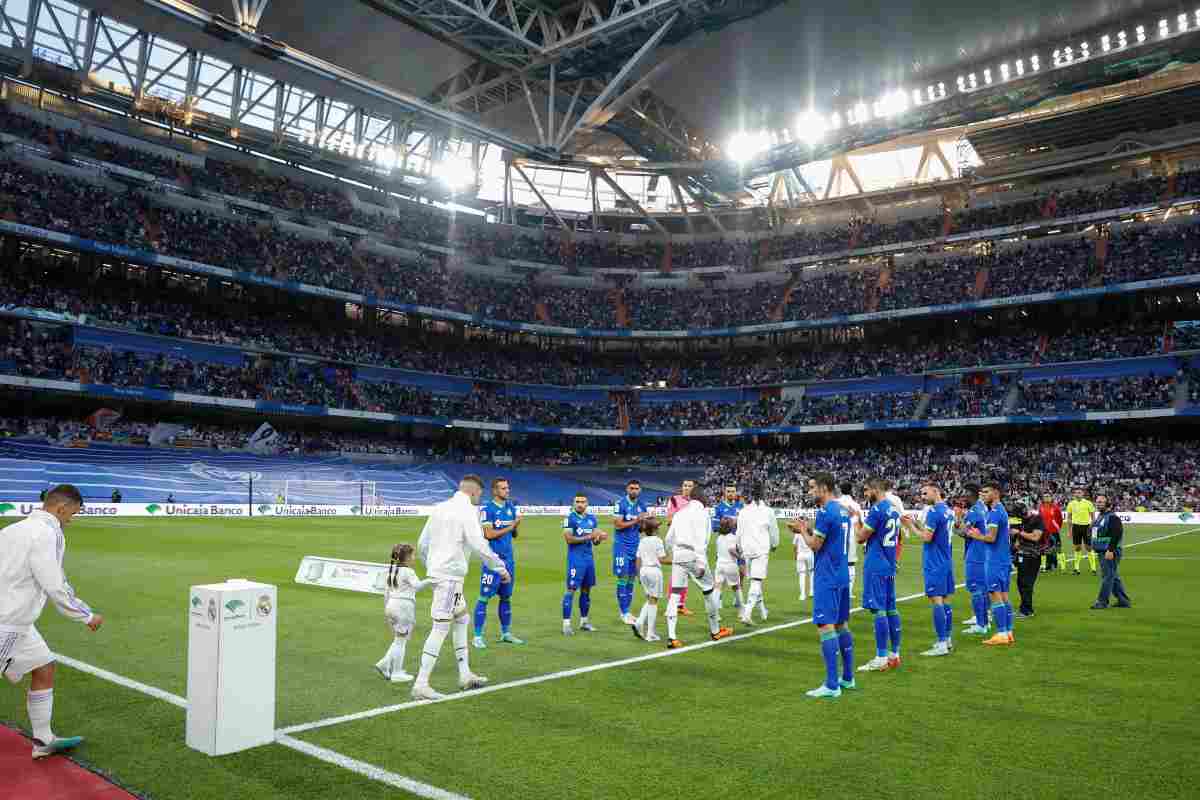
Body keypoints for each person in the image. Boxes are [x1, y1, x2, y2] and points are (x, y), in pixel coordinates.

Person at [0, 484, 104, 759]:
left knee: (44, 666)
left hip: (18, 621)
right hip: (7, 620)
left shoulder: (12, 530)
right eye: (73, 513)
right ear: (62, 508)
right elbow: (53, 583)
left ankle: (43, 739)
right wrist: (86, 615)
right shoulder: (48, 532)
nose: (72, 519)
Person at [412, 475, 509, 701]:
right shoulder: (468, 512)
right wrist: (500, 568)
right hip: (449, 579)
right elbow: (479, 545)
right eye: (479, 495)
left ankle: (465, 674)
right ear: (474, 493)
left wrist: (433, 567)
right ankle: (421, 683)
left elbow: (422, 544)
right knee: (440, 628)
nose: (479, 499)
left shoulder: (439, 508)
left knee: (462, 619)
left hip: (446, 577)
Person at [791, 473, 855, 699]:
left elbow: (815, 545)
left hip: (827, 576)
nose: (809, 492)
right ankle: (847, 678)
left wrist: (802, 530)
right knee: (841, 625)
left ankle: (831, 685)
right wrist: (807, 528)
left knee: (825, 626)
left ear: (824, 488)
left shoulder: (826, 512)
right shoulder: (843, 511)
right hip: (842, 574)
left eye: (812, 488)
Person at [662, 487, 733, 649]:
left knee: (674, 595)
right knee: (709, 591)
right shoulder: (703, 514)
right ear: (702, 498)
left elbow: (668, 539)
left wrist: (675, 553)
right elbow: (702, 540)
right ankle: (715, 631)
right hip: (694, 556)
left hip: (679, 554)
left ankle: (672, 637)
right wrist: (701, 562)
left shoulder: (679, 513)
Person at [902, 481, 955, 657]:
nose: (922, 497)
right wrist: (917, 525)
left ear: (936, 491)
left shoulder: (933, 512)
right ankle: (947, 639)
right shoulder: (947, 510)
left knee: (936, 600)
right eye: (921, 494)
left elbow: (926, 538)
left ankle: (941, 643)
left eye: (926, 494)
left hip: (935, 562)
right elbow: (934, 533)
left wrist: (910, 527)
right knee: (945, 600)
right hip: (946, 560)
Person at [855, 478, 902, 672]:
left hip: (876, 563)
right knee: (891, 608)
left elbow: (860, 537)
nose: (865, 494)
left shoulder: (877, 509)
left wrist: (856, 521)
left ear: (876, 489)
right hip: (889, 563)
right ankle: (895, 654)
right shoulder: (893, 509)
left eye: (866, 490)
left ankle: (881, 656)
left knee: (878, 610)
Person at [472, 478, 523, 648]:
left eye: (508, 488)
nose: (507, 491)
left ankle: (506, 633)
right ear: (495, 491)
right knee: (484, 597)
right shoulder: (487, 510)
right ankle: (477, 636)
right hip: (492, 560)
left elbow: (513, 534)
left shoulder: (510, 508)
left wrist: (515, 527)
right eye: (503, 488)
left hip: (509, 560)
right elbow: (489, 534)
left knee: (506, 597)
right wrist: (512, 526)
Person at [964, 480, 1014, 647]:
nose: (982, 495)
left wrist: (976, 535)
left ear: (996, 493)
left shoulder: (994, 512)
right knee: (1005, 597)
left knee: (996, 595)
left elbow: (991, 538)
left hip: (994, 561)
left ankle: (1001, 633)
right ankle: (1008, 632)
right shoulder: (1001, 510)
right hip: (1003, 559)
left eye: (986, 492)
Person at [375, 543, 430, 682]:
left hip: (391, 605)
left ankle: (384, 664)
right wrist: (432, 580)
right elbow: (417, 586)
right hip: (403, 606)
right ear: (406, 557)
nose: (414, 557)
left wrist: (386, 610)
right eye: (412, 555)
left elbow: (386, 592)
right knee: (401, 641)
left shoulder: (392, 570)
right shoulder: (408, 572)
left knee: (399, 639)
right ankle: (397, 672)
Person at [733, 482, 778, 626]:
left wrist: (739, 547)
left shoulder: (743, 511)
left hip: (747, 550)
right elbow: (774, 532)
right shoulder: (768, 511)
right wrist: (775, 544)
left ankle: (763, 611)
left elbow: (738, 533)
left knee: (754, 580)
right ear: (763, 494)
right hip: (761, 549)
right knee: (756, 581)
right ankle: (747, 613)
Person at [562, 493, 601, 635]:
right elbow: (569, 539)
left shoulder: (592, 519)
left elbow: (595, 541)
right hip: (575, 560)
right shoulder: (570, 519)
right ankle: (566, 624)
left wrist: (598, 538)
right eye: (577, 501)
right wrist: (589, 536)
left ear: (587, 503)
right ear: (574, 503)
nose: (580, 504)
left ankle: (584, 621)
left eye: (583, 502)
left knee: (586, 590)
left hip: (588, 559)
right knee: (570, 590)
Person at [956, 483, 991, 635]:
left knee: (975, 588)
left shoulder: (974, 511)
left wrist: (956, 524)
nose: (964, 497)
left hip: (976, 554)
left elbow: (963, 532)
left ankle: (981, 624)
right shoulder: (982, 508)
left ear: (972, 494)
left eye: (965, 494)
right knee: (983, 589)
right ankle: (985, 619)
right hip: (984, 552)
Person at [612, 479, 648, 625]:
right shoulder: (620, 504)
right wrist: (637, 520)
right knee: (622, 578)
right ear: (627, 489)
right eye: (632, 488)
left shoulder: (642, 505)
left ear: (640, 490)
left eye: (637, 488)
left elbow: (642, 526)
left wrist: (646, 522)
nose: (634, 490)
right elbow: (618, 524)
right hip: (621, 547)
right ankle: (624, 612)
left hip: (636, 546)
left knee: (632, 579)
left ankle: (627, 611)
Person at [1090, 494, 1132, 609]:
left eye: (1101, 502)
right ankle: (1123, 601)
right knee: (1113, 576)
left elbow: (1117, 534)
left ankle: (1102, 601)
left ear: (1108, 503)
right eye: (1097, 502)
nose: (1098, 504)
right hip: (1102, 550)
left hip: (1110, 551)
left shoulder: (1112, 517)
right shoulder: (1100, 517)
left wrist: (1110, 550)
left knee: (1108, 576)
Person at [632, 517, 669, 641]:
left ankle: (639, 622)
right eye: (657, 526)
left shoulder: (642, 540)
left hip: (643, 571)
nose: (659, 528)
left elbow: (637, 559)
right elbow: (662, 559)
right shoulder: (658, 540)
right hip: (654, 571)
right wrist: (677, 561)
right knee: (654, 601)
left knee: (649, 599)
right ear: (653, 529)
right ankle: (650, 633)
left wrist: (638, 574)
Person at [666, 479, 696, 616]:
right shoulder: (674, 500)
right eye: (685, 485)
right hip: (678, 541)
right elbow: (670, 519)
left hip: (692, 541)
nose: (687, 488)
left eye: (690, 486)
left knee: (686, 574)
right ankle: (673, 603)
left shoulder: (695, 503)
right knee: (677, 573)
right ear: (681, 487)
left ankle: (680, 604)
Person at [1011, 502, 1045, 618]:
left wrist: (1019, 533)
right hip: (1023, 554)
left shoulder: (1037, 519)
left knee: (1026, 583)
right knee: (1021, 582)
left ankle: (1027, 610)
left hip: (1033, 555)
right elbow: (1020, 538)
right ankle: (1024, 608)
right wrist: (1016, 542)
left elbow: (1036, 537)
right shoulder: (1023, 520)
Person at [713, 484, 747, 592]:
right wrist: (727, 525)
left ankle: (738, 596)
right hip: (725, 542)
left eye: (733, 491)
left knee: (742, 571)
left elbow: (746, 524)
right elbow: (714, 527)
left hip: (739, 541)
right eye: (728, 491)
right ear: (725, 493)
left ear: (736, 492)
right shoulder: (719, 508)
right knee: (721, 572)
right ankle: (719, 598)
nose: (731, 493)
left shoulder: (741, 506)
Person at [713, 518, 745, 615]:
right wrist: (741, 557)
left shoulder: (719, 537)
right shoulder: (732, 537)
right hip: (730, 564)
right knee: (736, 588)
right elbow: (731, 550)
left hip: (719, 565)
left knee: (717, 588)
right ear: (730, 527)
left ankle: (714, 613)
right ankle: (742, 611)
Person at [837, 482, 863, 599]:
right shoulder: (856, 505)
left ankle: (837, 589)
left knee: (837, 563)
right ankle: (849, 592)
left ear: (840, 490)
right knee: (850, 564)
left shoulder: (836, 503)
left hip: (837, 536)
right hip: (851, 536)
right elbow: (860, 522)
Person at [1065, 488, 1098, 576]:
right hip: (1076, 527)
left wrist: (1092, 529)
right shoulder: (1071, 504)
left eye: (1079, 492)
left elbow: (1093, 518)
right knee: (1077, 548)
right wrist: (1069, 531)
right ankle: (1076, 568)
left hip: (1086, 527)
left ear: (1083, 494)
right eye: (1076, 493)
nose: (1077, 494)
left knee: (1088, 547)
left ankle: (1093, 568)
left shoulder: (1088, 503)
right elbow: (1069, 518)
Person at [1038, 492, 1063, 573]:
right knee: (1045, 548)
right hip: (1044, 531)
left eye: (1048, 496)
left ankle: (1054, 564)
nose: (1047, 498)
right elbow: (1039, 518)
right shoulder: (1041, 507)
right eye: (1045, 496)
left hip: (1053, 531)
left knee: (1055, 548)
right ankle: (1047, 565)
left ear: (1051, 498)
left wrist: (1057, 527)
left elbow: (1060, 519)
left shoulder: (1056, 507)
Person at [793, 517, 814, 602]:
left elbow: (794, 546)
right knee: (812, 573)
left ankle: (802, 594)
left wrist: (795, 555)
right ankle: (812, 591)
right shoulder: (810, 532)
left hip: (800, 555)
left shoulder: (797, 533)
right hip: (809, 554)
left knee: (802, 575)